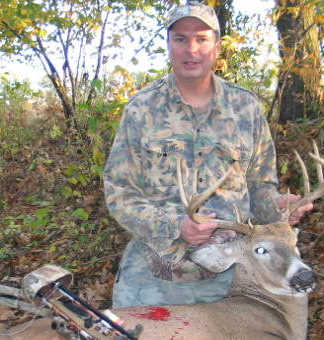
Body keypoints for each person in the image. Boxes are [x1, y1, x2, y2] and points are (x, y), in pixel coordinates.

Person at [103, 1, 312, 308]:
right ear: (169, 45)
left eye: (201, 39)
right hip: (155, 276)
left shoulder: (246, 108)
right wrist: (176, 225)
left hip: (231, 278)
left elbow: (259, 188)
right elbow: (120, 193)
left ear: (216, 47)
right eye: (181, 39)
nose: (191, 49)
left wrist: (279, 206)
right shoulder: (142, 109)